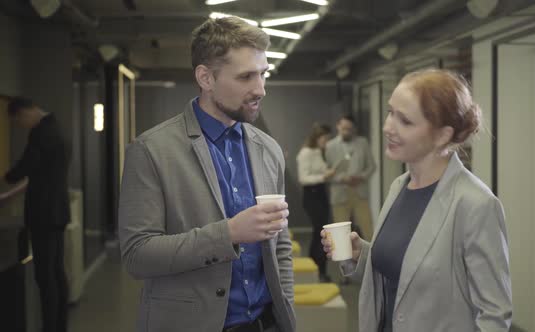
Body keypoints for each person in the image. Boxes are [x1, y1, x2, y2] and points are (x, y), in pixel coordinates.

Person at [118, 17, 295, 332]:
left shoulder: (269, 150)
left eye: (263, 74)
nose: (260, 89)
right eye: (246, 77)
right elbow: (137, 255)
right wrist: (228, 234)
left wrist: (287, 313)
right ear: (206, 78)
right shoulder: (151, 150)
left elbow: (280, 246)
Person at [321, 69, 512, 331]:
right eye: (390, 113)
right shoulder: (400, 186)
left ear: (442, 135)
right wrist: (363, 255)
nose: (388, 127)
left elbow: (494, 315)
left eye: (405, 121)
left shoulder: (476, 205)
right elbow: (408, 274)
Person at [0, 97, 70, 332]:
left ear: (25, 112)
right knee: (57, 272)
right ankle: (59, 325)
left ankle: (50, 327)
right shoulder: (56, 127)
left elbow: (24, 168)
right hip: (58, 211)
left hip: (43, 215)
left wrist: (5, 180)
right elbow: (38, 173)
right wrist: (8, 195)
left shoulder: (41, 133)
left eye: (18, 121)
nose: (21, 126)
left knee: (45, 276)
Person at [325, 114, 376, 239]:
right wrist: (342, 178)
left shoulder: (362, 143)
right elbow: (326, 172)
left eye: (349, 128)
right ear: (338, 127)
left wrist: (361, 177)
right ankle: (342, 258)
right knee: (340, 232)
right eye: (344, 128)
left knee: (368, 228)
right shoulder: (330, 146)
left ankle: (371, 256)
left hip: (359, 191)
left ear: (354, 129)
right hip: (339, 192)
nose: (346, 131)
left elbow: (371, 166)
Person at [296, 123, 335, 282]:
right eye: (325, 139)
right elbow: (303, 179)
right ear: (317, 138)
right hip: (311, 195)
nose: (326, 142)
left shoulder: (319, 152)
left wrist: (328, 173)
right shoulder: (305, 153)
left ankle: (319, 268)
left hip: (321, 192)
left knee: (321, 231)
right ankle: (318, 269)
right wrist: (323, 177)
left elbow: (320, 170)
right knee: (320, 232)